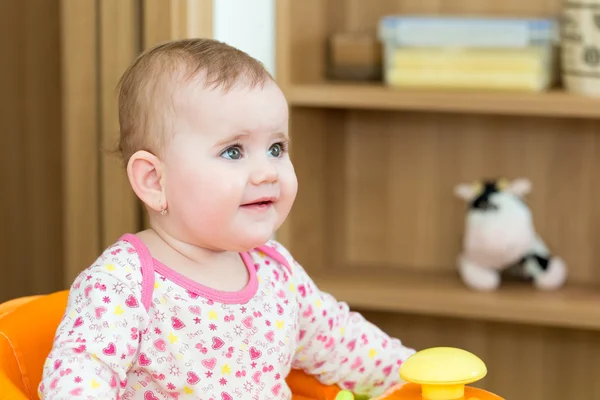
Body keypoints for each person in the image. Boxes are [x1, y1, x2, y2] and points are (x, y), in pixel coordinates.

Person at [39, 38, 415, 400]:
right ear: (155, 180)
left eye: (276, 148)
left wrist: (415, 374)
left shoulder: (276, 270)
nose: (267, 171)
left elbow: (344, 342)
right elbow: (79, 380)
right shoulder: (123, 285)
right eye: (234, 151)